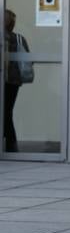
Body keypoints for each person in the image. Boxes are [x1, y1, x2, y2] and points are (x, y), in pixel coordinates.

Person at [3, 9, 30, 153]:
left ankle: (10, 145)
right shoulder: (19, 38)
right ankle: (11, 145)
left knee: (5, 113)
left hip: (7, 80)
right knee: (7, 112)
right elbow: (28, 60)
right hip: (13, 81)